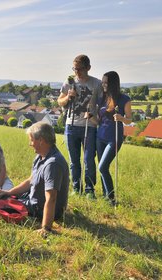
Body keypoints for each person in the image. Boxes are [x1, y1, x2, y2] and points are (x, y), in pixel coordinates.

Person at [0, 122, 69, 236]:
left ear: (41, 140)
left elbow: (52, 197)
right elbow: (30, 181)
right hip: (33, 198)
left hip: (39, 208)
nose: (30, 144)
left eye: (32, 140)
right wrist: (9, 192)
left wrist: (46, 228)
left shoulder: (53, 164)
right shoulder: (40, 156)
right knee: (3, 198)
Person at [57, 54, 102, 198]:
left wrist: (95, 115)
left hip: (89, 126)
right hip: (71, 125)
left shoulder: (97, 84)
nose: (77, 72)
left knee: (88, 159)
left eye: (80, 69)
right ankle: (76, 188)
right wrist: (68, 97)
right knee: (74, 161)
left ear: (88, 68)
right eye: (74, 69)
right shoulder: (69, 82)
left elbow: (102, 104)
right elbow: (60, 102)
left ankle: (89, 190)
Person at [96, 71, 132, 206]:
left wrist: (122, 118)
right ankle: (105, 196)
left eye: (106, 82)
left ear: (113, 84)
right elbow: (99, 118)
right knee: (102, 168)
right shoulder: (102, 98)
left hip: (114, 138)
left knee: (102, 167)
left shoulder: (124, 99)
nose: (103, 85)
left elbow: (129, 119)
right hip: (100, 137)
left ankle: (111, 199)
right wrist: (90, 115)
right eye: (102, 82)